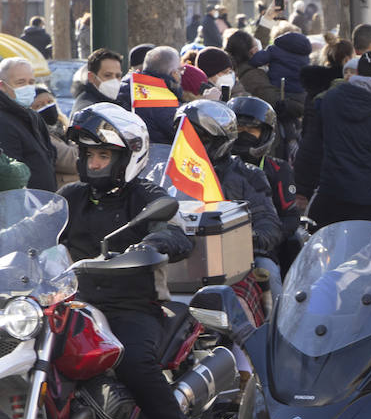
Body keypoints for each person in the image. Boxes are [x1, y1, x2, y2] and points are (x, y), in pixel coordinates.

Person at [58, 104, 200, 419]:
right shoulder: (70, 196)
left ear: (127, 157)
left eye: (103, 154)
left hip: (132, 306)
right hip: (73, 304)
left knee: (136, 364)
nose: (95, 162)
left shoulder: (146, 195)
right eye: (89, 155)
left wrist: (150, 243)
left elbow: (176, 233)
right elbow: (33, 228)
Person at [175, 100, 284, 292]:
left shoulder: (248, 174)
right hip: (177, 258)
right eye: (184, 136)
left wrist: (244, 237)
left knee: (268, 270)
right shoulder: (166, 171)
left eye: (199, 139)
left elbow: (268, 223)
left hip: (237, 258)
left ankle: (277, 321)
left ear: (220, 140)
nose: (190, 144)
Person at [295, 51, 371, 226]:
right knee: (361, 250)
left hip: (330, 190)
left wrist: (302, 186)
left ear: (356, 72)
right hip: (368, 197)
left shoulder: (331, 98)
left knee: (319, 245)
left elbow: (312, 145)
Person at [228, 96, 300, 270]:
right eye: (239, 128)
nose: (244, 133)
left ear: (265, 134)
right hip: (216, 245)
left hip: (261, 249)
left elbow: (290, 217)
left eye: (252, 129)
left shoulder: (278, 169)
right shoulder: (211, 165)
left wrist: (260, 237)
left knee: (268, 271)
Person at [0, 57, 57, 192]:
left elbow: (50, 154)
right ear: (2, 86)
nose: (28, 87)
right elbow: (10, 174)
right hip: (22, 205)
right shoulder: (3, 121)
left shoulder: (33, 116)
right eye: (21, 82)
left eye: (31, 82)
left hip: (44, 203)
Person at [117, 45, 183, 144]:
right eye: (180, 70)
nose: (181, 74)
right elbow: (180, 128)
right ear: (173, 73)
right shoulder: (158, 97)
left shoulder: (129, 85)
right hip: (157, 155)